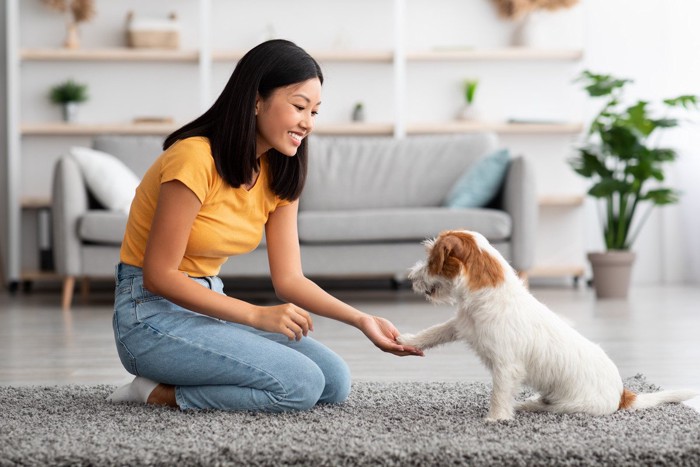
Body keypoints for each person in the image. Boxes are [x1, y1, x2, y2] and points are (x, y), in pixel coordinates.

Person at [107, 39, 423, 412]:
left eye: (315, 112)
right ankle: (154, 392)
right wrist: (258, 314)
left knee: (334, 380)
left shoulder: (280, 170)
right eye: (299, 106)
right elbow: (159, 276)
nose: (307, 122)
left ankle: (190, 374)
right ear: (257, 100)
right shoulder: (193, 157)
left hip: (210, 305)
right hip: (149, 315)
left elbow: (289, 280)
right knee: (300, 385)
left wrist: (362, 319)